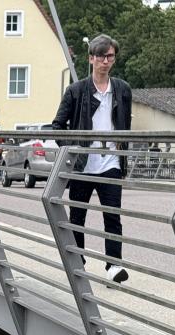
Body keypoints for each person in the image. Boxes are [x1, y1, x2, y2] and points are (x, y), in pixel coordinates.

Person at [50, 34, 132, 284]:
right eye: (101, 56)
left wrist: (122, 154)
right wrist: (73, 151)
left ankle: (114, 266)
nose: (105, 61)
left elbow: (125, 125)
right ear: (91, 58)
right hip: (83, 165)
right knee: (77, 218)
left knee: (112, 217)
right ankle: (79, 262)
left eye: (110, 56)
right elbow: (56, 126)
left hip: (111, 164)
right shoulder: (76, 91)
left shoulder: (122, 89)